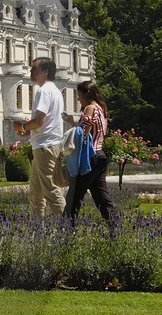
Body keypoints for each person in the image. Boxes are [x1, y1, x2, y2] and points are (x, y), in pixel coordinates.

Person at [12, 57, 69, 216]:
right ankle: (37, 227)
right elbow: (46, 122)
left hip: (45, 146)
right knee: (36, 193)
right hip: (47, 144)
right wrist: (29, 130)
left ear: (45, 72)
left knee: (51, 190)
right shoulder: (55, 90)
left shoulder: (43, 91)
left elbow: (39, 121)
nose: (31, 72)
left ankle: (68, 226)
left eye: (34, 69)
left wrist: (22, 127)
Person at [66, 80, 116, 229]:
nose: (78, 99)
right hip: (100, 155)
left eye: (80, 95)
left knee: (73, 198)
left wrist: (72, 128)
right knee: (102, 198)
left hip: (89, 157)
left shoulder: (89, 108)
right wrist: (73, 123)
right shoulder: (101, 109)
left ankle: (66, 232)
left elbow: (83, 134)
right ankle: (116, 228)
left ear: (87, 94)